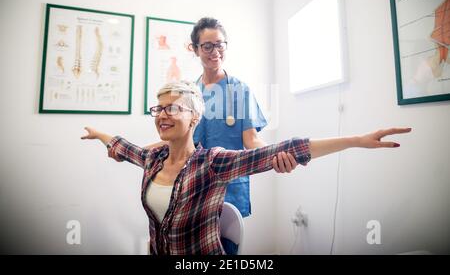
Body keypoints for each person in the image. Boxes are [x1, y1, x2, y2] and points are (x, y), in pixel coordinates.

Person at [81, 80, 411, 255]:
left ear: (194, 117)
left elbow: (289, 148)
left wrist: (357, 140)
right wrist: (99, 135)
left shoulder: (213, 163)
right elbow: (124, 148)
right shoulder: (152, 159)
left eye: (173, 109)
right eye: (158, 108)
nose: (162, 115)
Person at [146, 17, 299, 224]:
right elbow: (175, 138)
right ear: (195, 49)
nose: (215, 52)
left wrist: (277, 155)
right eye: (207, 46)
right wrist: (134, 150)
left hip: (229, 185)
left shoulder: (239, 90)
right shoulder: (188, 93)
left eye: (220, 45)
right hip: (191, 183)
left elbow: (251, 140)